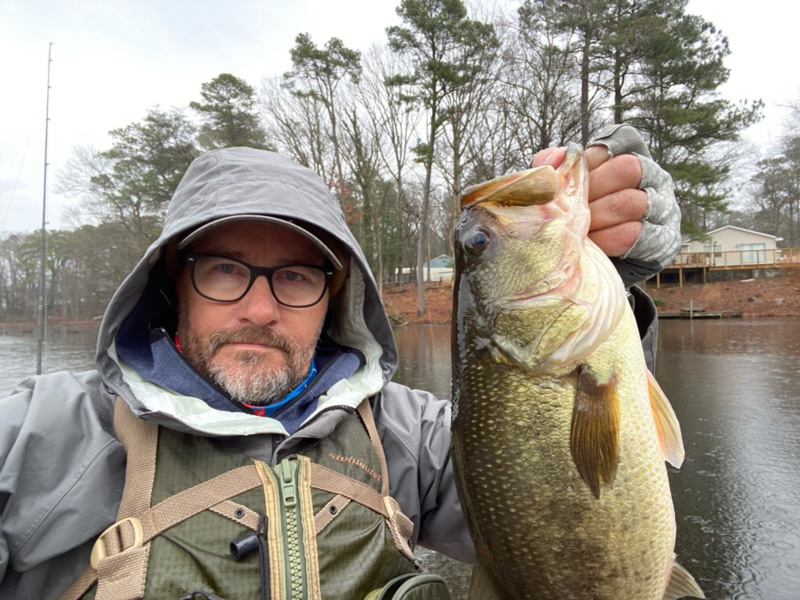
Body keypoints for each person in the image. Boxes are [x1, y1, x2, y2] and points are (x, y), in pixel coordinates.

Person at [0, 125, 680, 600]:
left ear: (337, 295)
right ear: (174, 282)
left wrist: (619, 284)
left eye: (295, 276)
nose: (261, 310)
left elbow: (573, 476)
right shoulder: (37, 437)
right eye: (226, 270)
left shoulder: (409, 440)